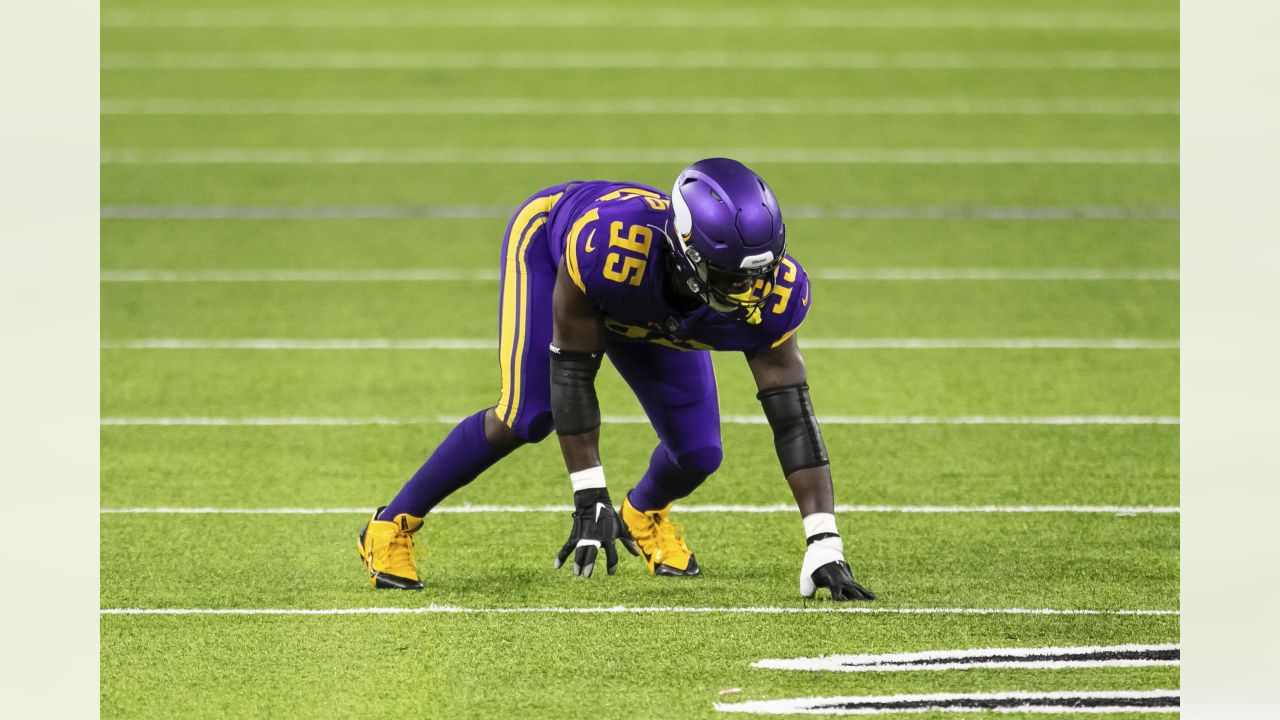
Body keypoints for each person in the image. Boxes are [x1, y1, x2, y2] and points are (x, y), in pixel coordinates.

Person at [357, 158, 876, 601]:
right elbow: (573, 367)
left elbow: (790, 414)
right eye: (731, 277)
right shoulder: (608, 250)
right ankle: (390, 524)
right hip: (557, 257)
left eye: (758, 274)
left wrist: (823, 540)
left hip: (655, 301)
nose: (750, 292)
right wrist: (589, 495)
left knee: (699, 453)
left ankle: (642, 512)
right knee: (527, 413)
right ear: (688, 252)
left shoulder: (773, 294)